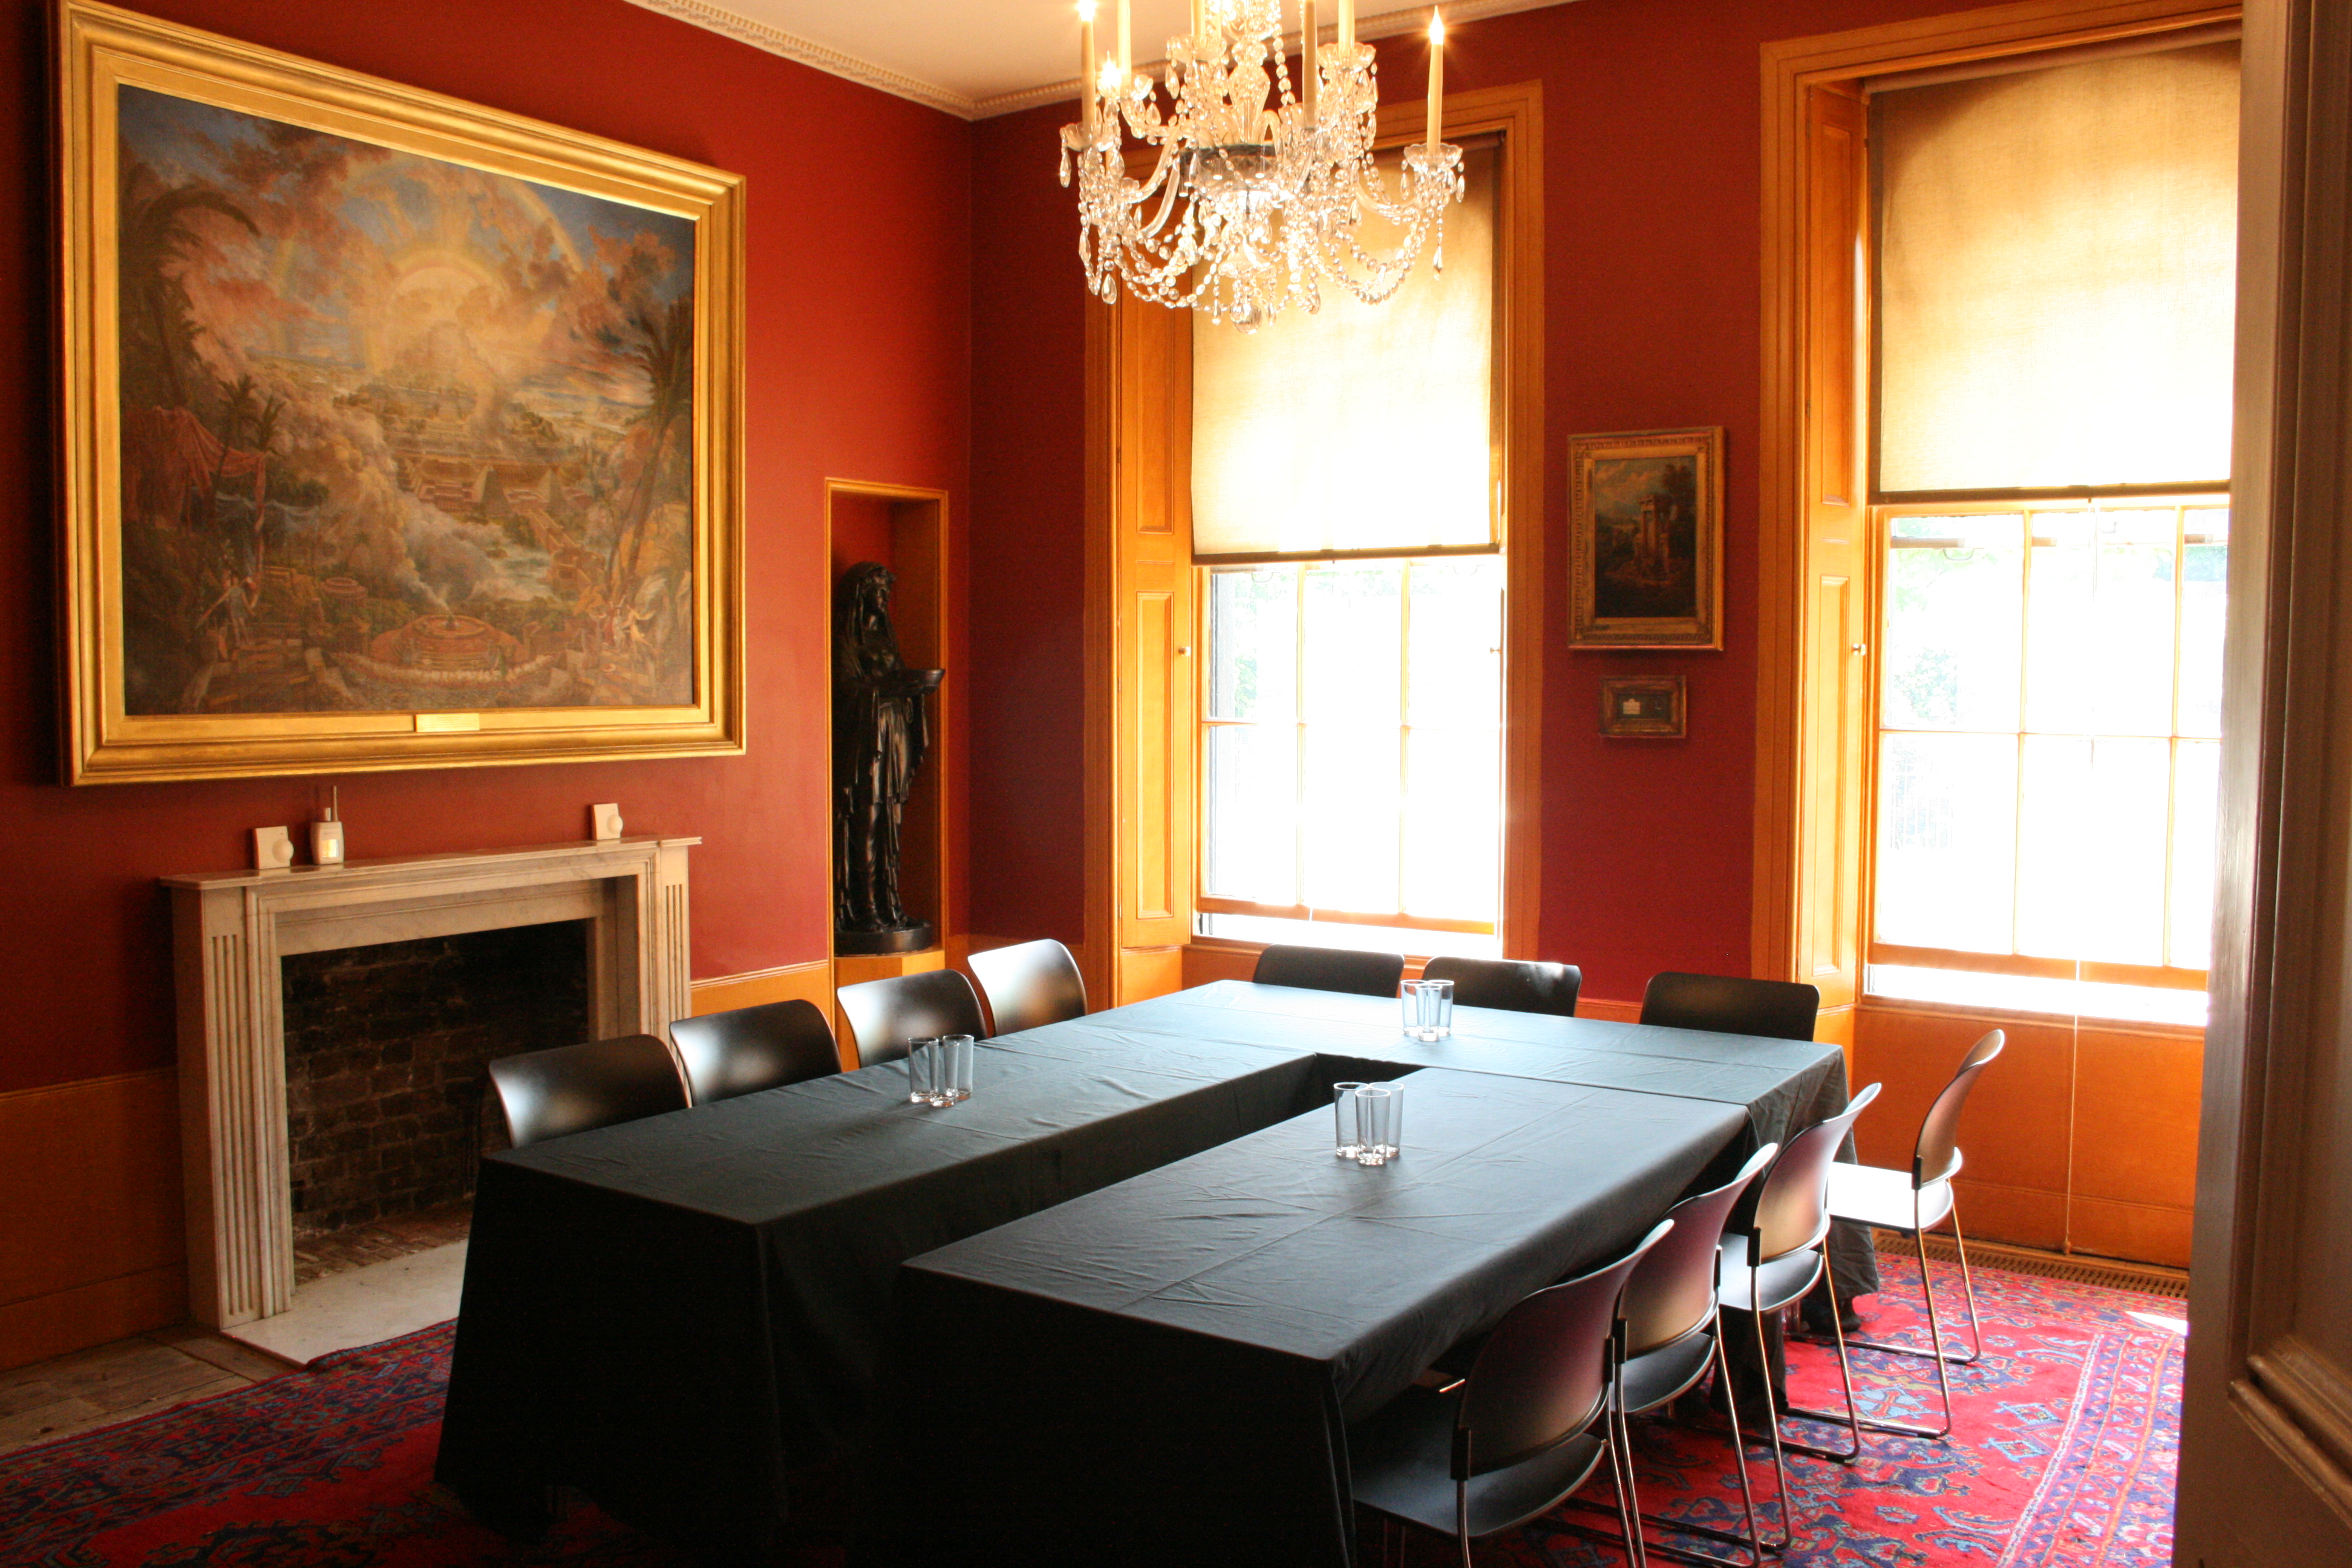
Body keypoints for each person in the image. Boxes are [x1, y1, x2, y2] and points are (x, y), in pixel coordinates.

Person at [833, 564, 944, 943]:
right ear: (861, 594)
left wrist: (909, 689)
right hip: (866, 736)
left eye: (886, 592)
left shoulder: (884, 637)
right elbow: (845, 690)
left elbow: (890, 678)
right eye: (878, 592)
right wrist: (889, 687)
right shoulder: (847, 639)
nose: (884, 600)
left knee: (891, 820)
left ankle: (889, 904)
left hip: (894, 729)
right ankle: (864, 909)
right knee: (866, 818)